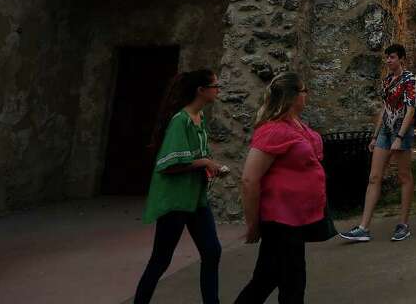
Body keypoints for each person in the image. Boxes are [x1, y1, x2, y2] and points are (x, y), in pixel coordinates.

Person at [134, 70, 225, 304]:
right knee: (161, 259)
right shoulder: (180, 120)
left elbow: (192, 156)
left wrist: (208, 166)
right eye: (215, 86)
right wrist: (204, 162)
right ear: (201, 90)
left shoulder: (199, 118)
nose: (218, 90)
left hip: (195, 199)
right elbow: (168, 164)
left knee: (212, 252)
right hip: (175, 201)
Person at [234, 73, 326, 304]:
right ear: (293, 96)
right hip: (280, 220)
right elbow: (249, 180)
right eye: (304, 91)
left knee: (268, 279)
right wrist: (253, 224)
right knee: (291, 283)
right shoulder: (273, 130)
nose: (306, 95)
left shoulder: (297, 125)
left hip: (295, 219)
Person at [339, 44, 416, 242]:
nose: (388, 60)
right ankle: (364, 227)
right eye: (387, 58)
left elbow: (410, 109)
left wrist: (399, 137)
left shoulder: (409, 79)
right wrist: (375, 136)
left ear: (401, 59)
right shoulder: (386, 81)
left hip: (401, 132)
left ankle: (403, 224)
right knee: (374, 177)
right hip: (385, 131)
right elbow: (384, 108)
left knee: (404, 176)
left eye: (392, 57)